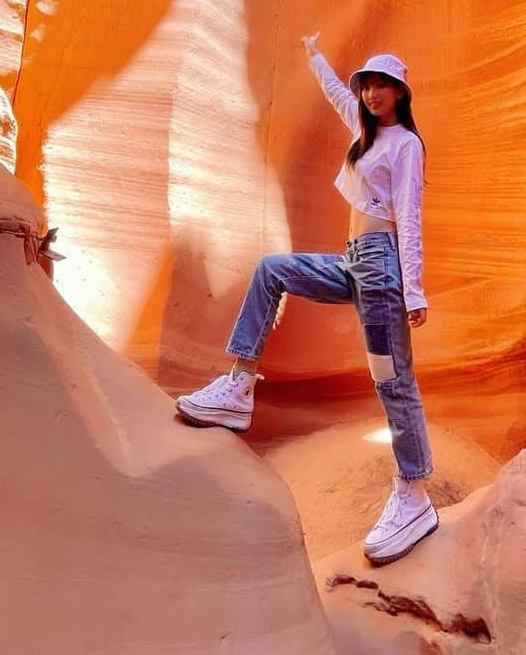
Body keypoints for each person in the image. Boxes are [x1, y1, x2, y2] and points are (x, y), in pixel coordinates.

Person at [175, 32, 437, 565]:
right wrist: (315, 56)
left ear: (401, 92)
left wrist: (414, 287)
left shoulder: (406, 145)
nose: (371, 93)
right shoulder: (364, 135)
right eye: (368, 84)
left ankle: (414, 494)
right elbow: (339, 98)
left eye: (384, 85)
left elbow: (408, 218)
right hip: (354, 262)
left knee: (392, 381)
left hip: (384, 270)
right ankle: (239, 385)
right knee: (273, 270)